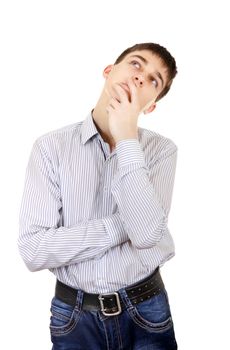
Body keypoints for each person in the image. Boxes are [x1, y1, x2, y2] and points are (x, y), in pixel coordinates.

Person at [18, 42, 178, 349]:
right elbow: (33, 250)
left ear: (152, 105)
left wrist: (127, 138)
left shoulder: (161, 151)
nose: (142, 77)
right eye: (136, 64)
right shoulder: (51, 148)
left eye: (154, 80)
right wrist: (123, 225)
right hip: (73, 315)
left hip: (146, 309)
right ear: (109, 71)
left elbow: (145, 235)